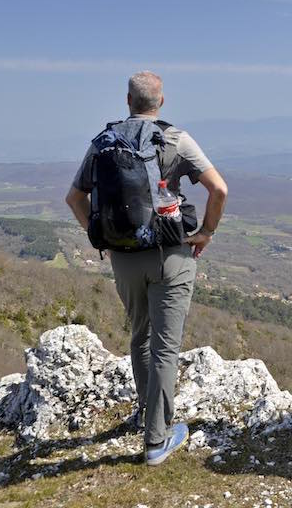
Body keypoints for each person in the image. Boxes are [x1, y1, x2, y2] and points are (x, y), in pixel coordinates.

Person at [65, 71, 228, 466]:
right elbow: (219, 189)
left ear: (127, 101)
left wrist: (99, 235)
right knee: (165, 346)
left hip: (123, 258)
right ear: (161, 102)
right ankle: (157, 440)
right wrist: (205, 232)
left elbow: (74, 198)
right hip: (170, 255)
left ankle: (146, 411)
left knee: (139, 335)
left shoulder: (103, 142)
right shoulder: (176, 139)